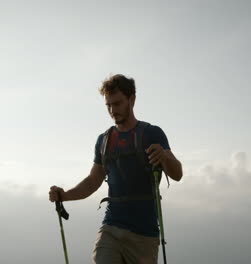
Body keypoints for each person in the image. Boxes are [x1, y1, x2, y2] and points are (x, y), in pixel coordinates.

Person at [49, 74, 182, 264]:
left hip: (144, 235)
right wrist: (64, 195)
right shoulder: (104, 141)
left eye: (117, 104)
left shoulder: (152, 134)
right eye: (108, 105)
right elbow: (93, 181)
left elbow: (177, 174)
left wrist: (165, 158)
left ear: (132, 100)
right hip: (111, 228)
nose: (113, 110)